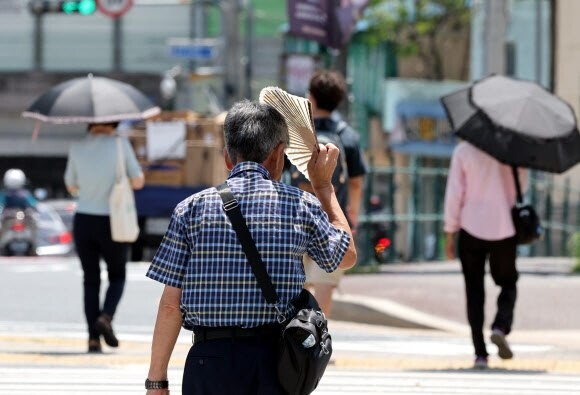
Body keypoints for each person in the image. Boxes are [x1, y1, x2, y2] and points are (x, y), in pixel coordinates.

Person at [145, 100, 356, 394]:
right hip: (276, 362)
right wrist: (324, 188)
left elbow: (170, 306)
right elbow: (346, 256)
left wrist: (157, 380)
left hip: (209, 362)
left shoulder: (190, 210)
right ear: (278, 155)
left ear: (227, 157)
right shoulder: (300, 205)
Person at [288, 69, 367, 317]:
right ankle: (317, 342)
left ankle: (291, 343)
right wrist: (351, 213)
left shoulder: (298, 135)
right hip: (332, 218)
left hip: (296, 219)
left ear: (310, 97)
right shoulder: (348, 136)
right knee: (325, 282)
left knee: (293, 282)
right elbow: (355, 182)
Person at [443, 141, 527, 369]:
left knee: (474, 290)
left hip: (470, 228)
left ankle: (480, 354)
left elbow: (455, 193)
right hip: (505, 228)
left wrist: (450, 231)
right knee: (508, 282)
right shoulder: (512, 150)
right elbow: (523, 186)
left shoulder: (463, 150)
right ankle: (500, 326)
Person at [64, 122, 144, 353]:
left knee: (90, 280)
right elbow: (138, 181)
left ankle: (92, 338)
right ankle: (106, 317)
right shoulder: (120, 145)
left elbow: (71, 186)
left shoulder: (77, 147)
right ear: (113, 122)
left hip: (84, 220)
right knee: (117, 275)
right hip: (114, 221)